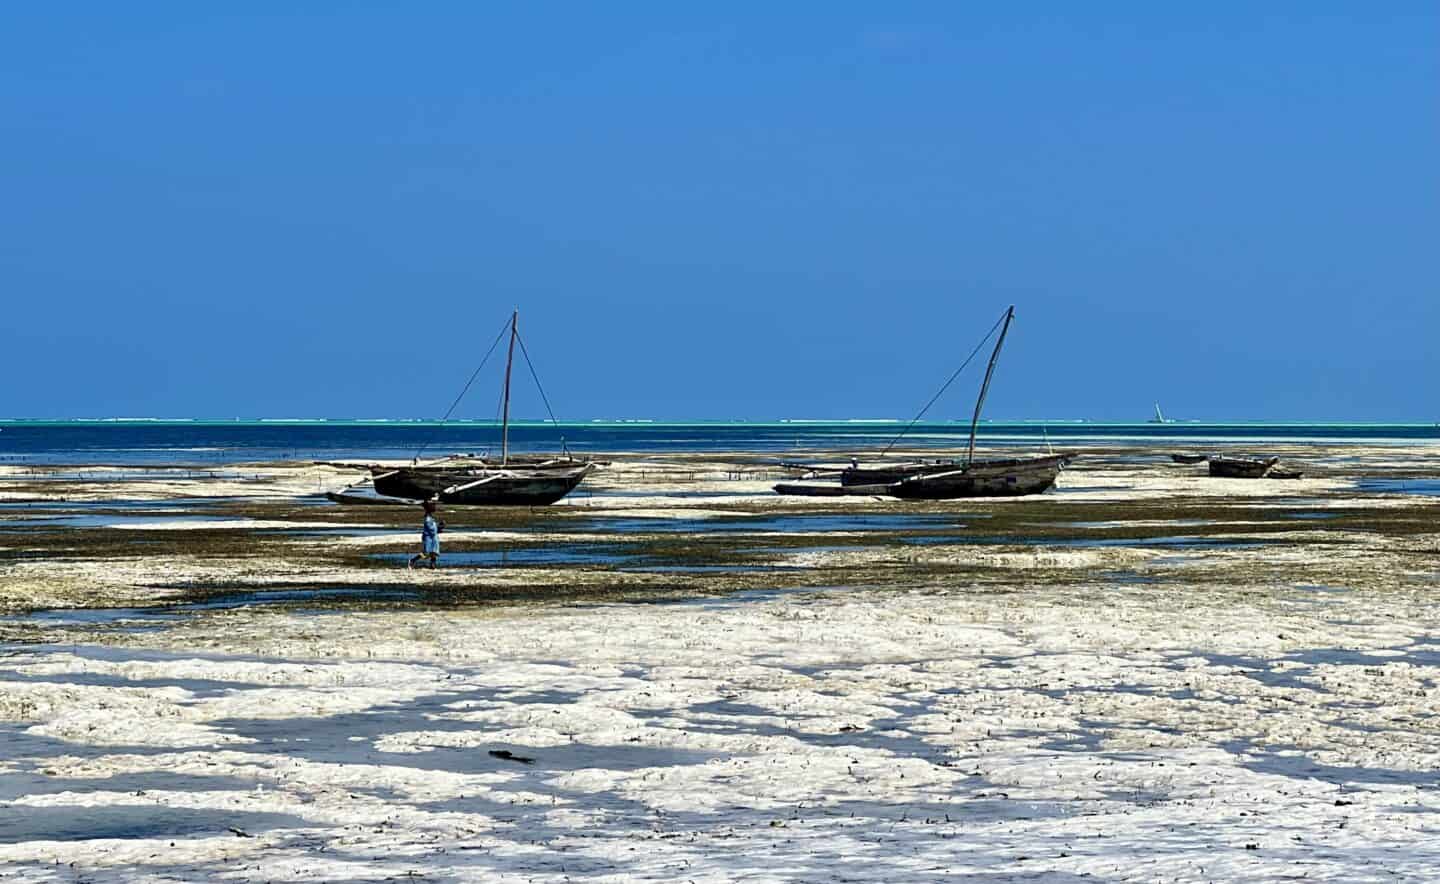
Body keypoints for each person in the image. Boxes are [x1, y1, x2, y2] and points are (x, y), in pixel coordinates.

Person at [409, 500, 444, 569]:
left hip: (433, 537)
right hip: (429, 537)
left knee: (434, 552)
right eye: (433, 506)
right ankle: (413, 560)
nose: (435, 507)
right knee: (426, 552)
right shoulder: (428, 519)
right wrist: (439, 527)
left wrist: (440, 527)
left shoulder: (430, 518)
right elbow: (432, 530)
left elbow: (433, 529)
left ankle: (432, 566)